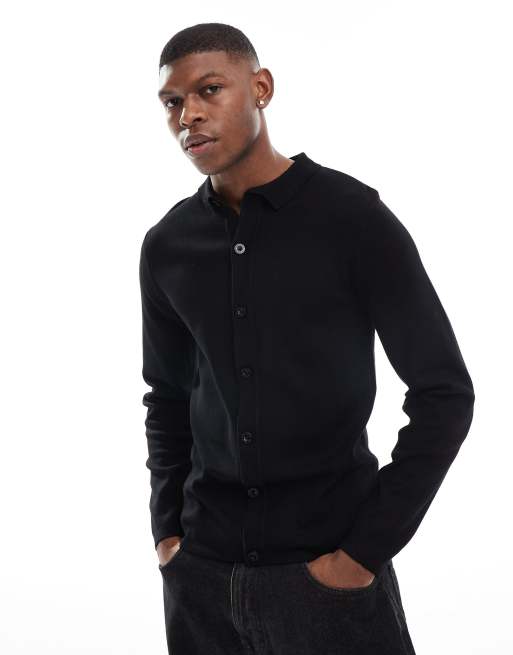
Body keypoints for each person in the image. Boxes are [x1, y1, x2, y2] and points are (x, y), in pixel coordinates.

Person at [138, 22, 475, 655]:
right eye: (172, 102)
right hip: (202, 580)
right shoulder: (167, 245)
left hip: (329, 579)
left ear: (261, 88)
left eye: (210, 90)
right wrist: (168, 536)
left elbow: (445, 393)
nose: (189, 116)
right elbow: (167, 397)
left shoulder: (353, 219)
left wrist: (364, 552)